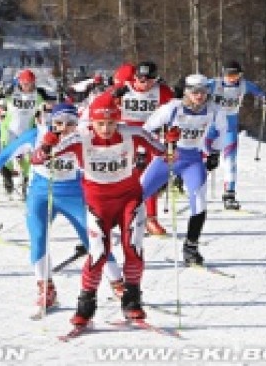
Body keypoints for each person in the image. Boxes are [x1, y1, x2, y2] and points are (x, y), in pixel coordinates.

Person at [0, 103, 125, 309]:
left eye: (70, 124)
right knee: (39, 238)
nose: (64, 128)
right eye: (58, 123)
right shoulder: (37, 136)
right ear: (51, 122)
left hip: (74, 195)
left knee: (94, 239)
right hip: (41, 194)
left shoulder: (84, 137)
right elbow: (6, 155)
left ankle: (119, 284)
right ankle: (46, 288)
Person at [31, 92, 165, 325]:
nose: (106, 128)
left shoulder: (132, 133)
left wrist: (172, 142)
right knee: (98, 253)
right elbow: (38, 159)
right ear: (91, 121)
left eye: (111, 123)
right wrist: (47, 144)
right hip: (98, 204)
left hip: (129, 199)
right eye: (100, 123)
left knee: (132, 247)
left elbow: (166, 153)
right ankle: (86, 305)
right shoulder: (79, 138)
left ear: (118, 120)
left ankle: (132, 300)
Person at [141, 74, 228, 266]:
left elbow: (223, 131)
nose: (199, 96)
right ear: (186, 91)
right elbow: (146, 130)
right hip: (168, 156)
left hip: (192, 159)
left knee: (199, 202)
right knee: (137, 194)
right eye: (195, 91)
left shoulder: (214, 110)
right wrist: (154, 146)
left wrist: (214, 152)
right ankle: (129, 239)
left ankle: (191, 248)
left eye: (204, 92)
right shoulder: (172, 108)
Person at [111, 61, 175, 235]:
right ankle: (113, 216)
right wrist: (113, 97)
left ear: (155, 80)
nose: (144, 83)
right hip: (124, 136)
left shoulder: (162, 91)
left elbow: (177, 111)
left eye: (148, 80)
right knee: (119, 178)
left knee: (148, 178)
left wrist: (172, 132)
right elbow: (100, 107)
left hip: (148, 137)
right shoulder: (123, 88)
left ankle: (150, 219)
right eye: (140, 79)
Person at [0, 68, 56, 196]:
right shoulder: (11, 91)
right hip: (9, 129)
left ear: (33, 82)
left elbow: (52, 103)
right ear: (19, 82)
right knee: (7, 154)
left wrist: (50, 104)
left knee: (28, 157)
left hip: (27, 130)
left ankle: (26, 181)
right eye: (24, 83)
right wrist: (1, 93)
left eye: (29, 83)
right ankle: (7, 177)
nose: (26, 86)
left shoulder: (38, 94)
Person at [209, 61, 266, 209]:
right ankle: (185, 183)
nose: (232, 78)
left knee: (230, 161)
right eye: (229, 74)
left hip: (230, 127)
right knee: (204, 158)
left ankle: (229, 194)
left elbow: (258, 91)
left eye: (236, 75)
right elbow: (193, 89)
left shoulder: (244, 85)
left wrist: (264, 98)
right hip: (212, 126)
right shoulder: (213, 84)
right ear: (223, 73)